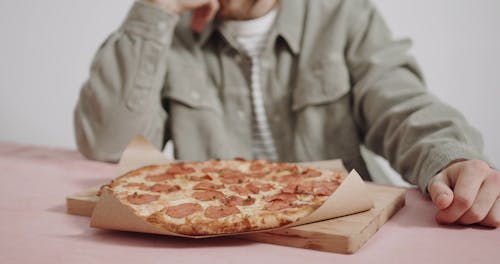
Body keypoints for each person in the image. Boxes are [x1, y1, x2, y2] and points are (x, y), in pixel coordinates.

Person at [74, 0, 499, 227]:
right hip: (216, 239)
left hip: (342, 229)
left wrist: (451, 158)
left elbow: (401, 104)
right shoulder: (166, 32)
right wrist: (155, 10)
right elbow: (109, 144)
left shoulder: (345, 13)